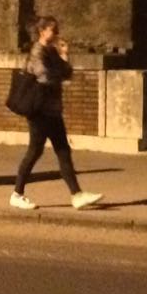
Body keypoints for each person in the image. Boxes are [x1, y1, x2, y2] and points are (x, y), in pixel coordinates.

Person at [11, 16, 102, 211]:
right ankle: (17, 194)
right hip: (39, 111)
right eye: (53, 30)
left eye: (57, 30)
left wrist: (64, 55)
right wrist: (59, 71)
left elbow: (67, 73)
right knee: (35, 151)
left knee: (63, 151)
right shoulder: (37, 52)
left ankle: (77, 195)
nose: (56, 34)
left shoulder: (51, 52)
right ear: (42, 31)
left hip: (52, 110)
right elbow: (45, 76)